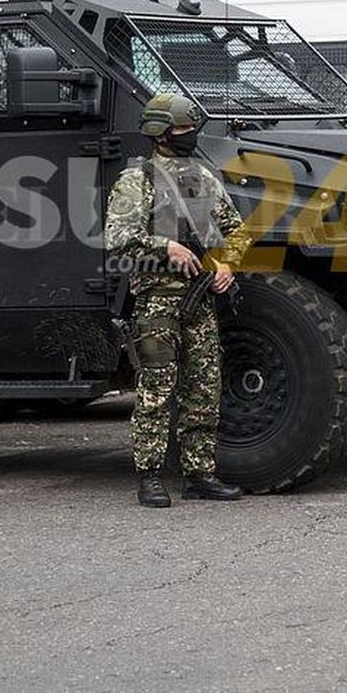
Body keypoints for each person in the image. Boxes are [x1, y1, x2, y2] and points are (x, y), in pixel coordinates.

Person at [104, 93, 254, 507]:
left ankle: (199, 474)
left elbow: (237, 231)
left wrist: (226, 264)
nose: (190, 136)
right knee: (156, 390)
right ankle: (149, 475)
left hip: (199, 301)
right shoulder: (138, 181)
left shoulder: (203, 178)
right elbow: (117, 239)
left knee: (204, 390)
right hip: (157, 303)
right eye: (183, 129)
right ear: (161, 132)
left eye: (192, 129)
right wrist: (165, 246)